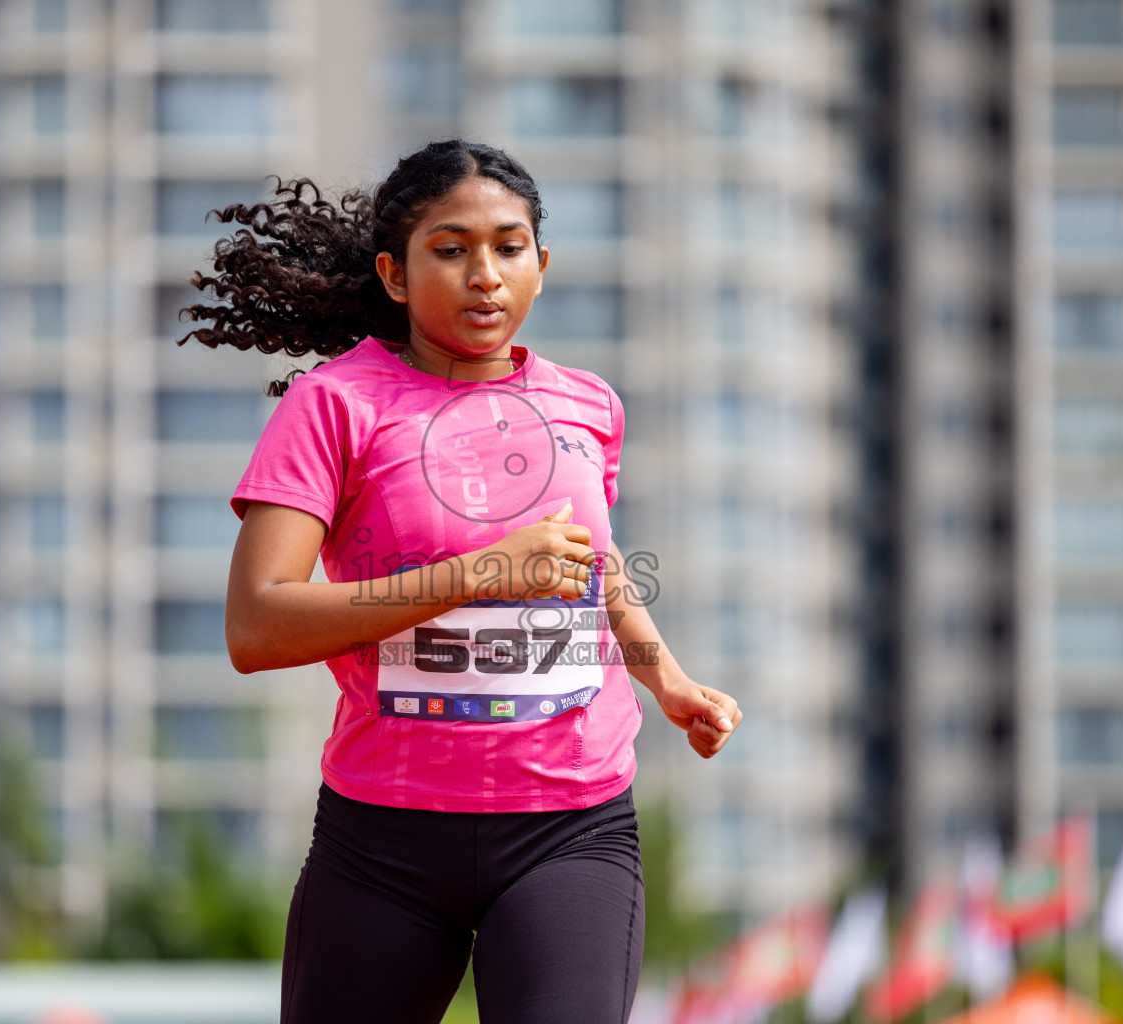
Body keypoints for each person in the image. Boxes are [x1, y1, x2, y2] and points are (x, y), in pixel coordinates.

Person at [183, 139, 742, 1024]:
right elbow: (257, 628)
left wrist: (664, 676)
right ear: (395, 275)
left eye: (509, 247)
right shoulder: (335, 406)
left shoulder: (589, 405)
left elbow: (589, 563)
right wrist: (477, 574)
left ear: (542, 265)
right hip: (383, 837)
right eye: (451, 249)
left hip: (573, 826)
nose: (485, 274)